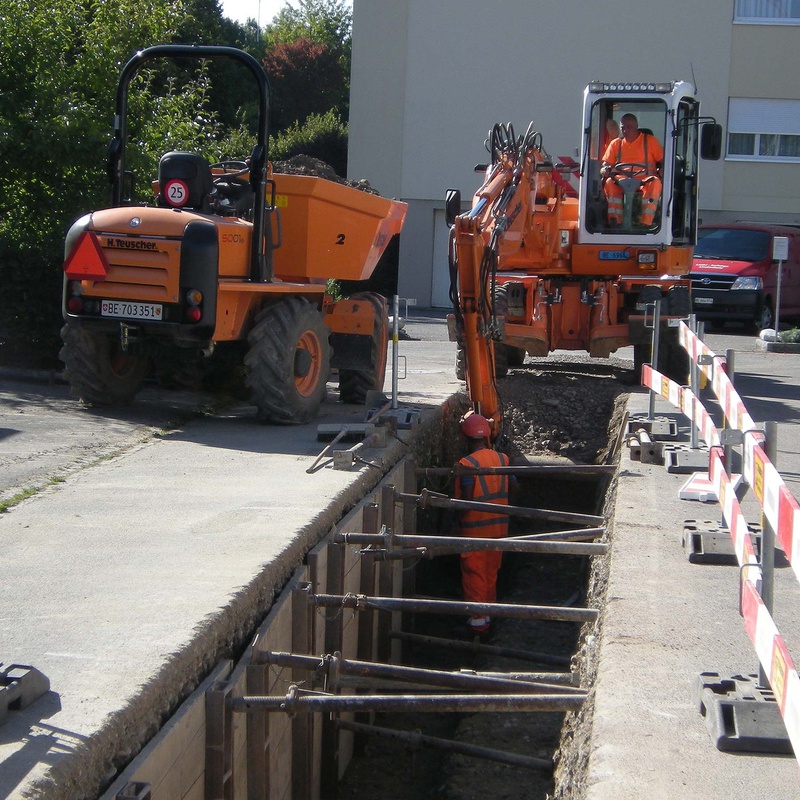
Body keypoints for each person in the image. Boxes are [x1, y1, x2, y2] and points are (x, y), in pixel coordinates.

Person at [453, 412, 515, 635]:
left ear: (465, 437)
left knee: (475, 575)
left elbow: (467, 500)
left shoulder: (467, 464)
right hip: (499, 529)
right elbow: (514, 487)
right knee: (491, 574)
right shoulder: (503, 459)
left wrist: (455, 520)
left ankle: (478, 622)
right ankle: (489, 614)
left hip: (474, 531)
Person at [601, 113, 663, 227]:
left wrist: (662, 170)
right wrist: (605, 169)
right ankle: (616, 221)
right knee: (609, 183)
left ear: (636, 126)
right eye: (622, 128)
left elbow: (662, 160)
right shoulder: (616, 143)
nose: (625, 130)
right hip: (622, 179)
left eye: (629, 127)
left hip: (645, 179)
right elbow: (606, 163)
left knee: (656, 182)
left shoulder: (650, 141)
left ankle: (646, 222)